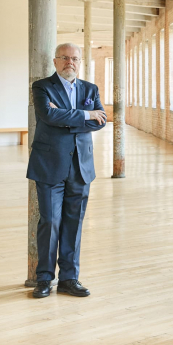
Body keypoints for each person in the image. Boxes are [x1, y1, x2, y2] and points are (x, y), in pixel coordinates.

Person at [27, 43, 107, 298]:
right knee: (50, 222)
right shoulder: (42, 87)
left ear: (80, 62)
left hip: (81, 168)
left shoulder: (89, 89)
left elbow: (101, 120)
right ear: (55, 61)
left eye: (74, 58)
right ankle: (44, 279)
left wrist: (64, 116)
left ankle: (69, 279)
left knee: (74, 223)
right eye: (65, 58)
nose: (70, 62)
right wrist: (85, 115)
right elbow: (47, 116)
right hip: (50, 165)